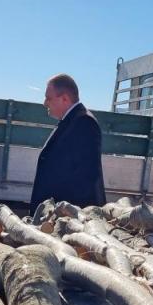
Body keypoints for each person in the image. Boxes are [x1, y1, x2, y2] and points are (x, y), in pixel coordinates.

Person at [30, 73, 106, 212]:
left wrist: (64, 214)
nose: (45, 103)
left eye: (48, 98)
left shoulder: (84, 122)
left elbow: (86, 178)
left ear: (64, 98)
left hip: (69, 217)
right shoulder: (72, 120)